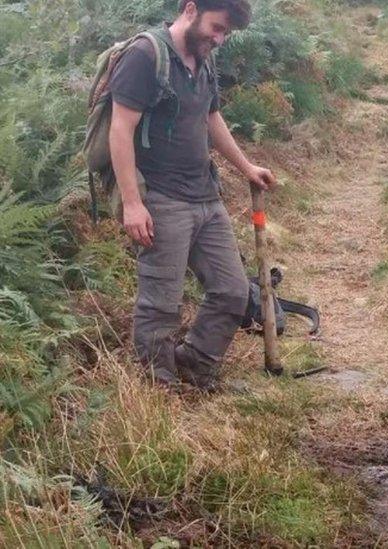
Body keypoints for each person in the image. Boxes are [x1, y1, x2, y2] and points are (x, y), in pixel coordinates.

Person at [109, 0, 277, 390]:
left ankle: (196, 364)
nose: (218, 39)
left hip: (206, 194)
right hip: (162, 200)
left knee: (233, 292)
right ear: (190, 8)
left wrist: (246, 167)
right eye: (216, 28)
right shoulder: (144, 56)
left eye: (225, 34)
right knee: (161, 305)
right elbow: (120, 131)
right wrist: (133, 204)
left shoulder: (204, 58)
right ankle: (159, 386)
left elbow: (210, 117)